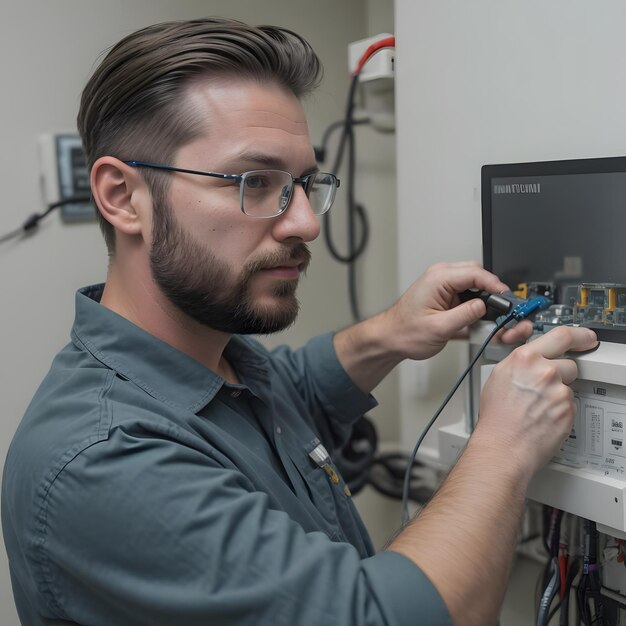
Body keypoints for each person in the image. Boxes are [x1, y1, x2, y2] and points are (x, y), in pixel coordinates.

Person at [1, 17, 597, 626]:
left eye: (306, 183)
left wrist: (389, 332)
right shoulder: (105, 463)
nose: (307, 223)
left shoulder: (210, 357)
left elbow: (295, 388)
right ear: (124, 197)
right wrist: (502, 446)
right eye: (255, 182)